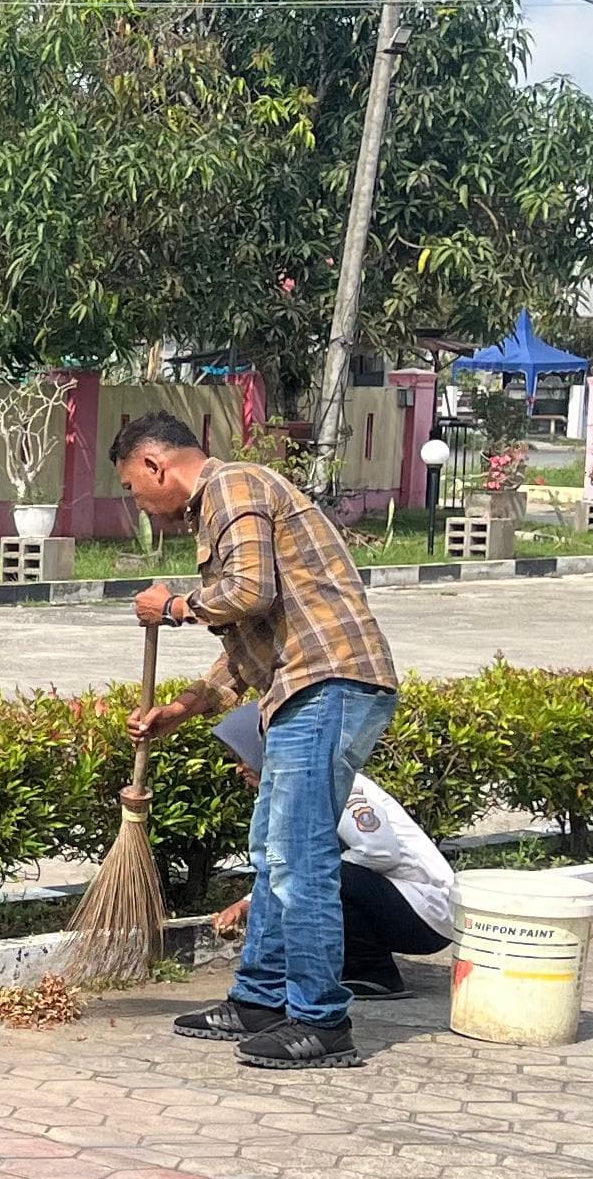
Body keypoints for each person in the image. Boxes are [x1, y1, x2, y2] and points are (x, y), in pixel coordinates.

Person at [119, 411, 404, 1068]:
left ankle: (322, 1020)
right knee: (276, 855)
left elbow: (247, 591)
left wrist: (172, 607)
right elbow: (248, 649)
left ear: (156, 466)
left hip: (328, 682)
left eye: (134, 486)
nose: (138, 503)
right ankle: (261, 998)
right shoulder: (228, 503)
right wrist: (183, 708)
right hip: (303, 686)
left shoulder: (234, 486)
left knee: (301, 860)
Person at [202, 704, 457, 1000]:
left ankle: (372, 973)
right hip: (401, 906)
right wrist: (246, 904)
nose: (238, 768)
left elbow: (381, 852)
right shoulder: (288, 791)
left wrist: (314, 870)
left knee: (317, 873)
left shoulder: (341, 784)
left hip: (427, 914)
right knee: (310, 871)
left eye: (242, 756)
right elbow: (283, 862)